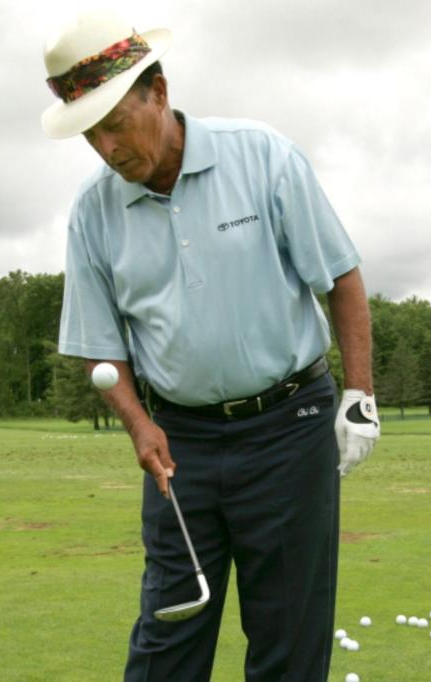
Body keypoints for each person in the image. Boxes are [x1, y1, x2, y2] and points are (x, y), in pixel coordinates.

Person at [42, 11, 380, 682]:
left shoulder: (263, 156)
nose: (108, 148)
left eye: (116, 124)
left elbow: (340, 277)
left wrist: (359, 395)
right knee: (167, 641)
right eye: (91, 135)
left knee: (288, 638)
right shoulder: (94, 211)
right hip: (180, 444)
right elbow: (99, 346)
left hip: (291, 428)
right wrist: (139, 426)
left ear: (159, 94)